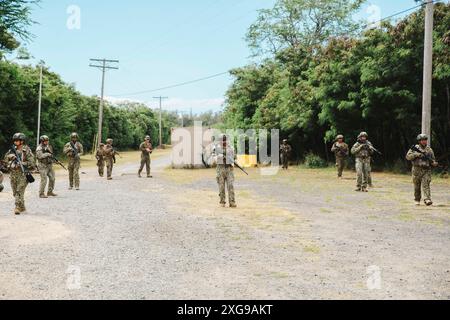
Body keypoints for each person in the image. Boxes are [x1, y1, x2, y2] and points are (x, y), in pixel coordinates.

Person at [4, 133, 36, 215]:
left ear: (22, 141)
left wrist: (21, 163)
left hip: (23, 174)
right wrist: (10, 157)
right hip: (13, 174)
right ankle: (22, 206)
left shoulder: (26, 150)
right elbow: (5, 161)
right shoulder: (11, 150)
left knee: (19, 190)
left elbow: (32, 163)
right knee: (15, 192)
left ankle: (17, 207)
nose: (15, 142)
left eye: (17, 140)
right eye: (14, 140)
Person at [406, 134, 438, 206]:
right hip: (416, 170)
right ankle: (417, 199)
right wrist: (416, 155)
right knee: (416, 186)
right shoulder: (414, 149)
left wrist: (434, 163)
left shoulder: (429, 150)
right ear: (419, 141)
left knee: (426, 184)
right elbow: (408, 157)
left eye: (425, 140)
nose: (424, 142)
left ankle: (427, 199)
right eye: (423, 140)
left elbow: (433, 160)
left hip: (426, 170)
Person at [214, 134, 237, 208]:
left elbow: (235, 157)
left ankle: (232, 202)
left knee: (231, 185)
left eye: (225, 140)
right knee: (221, 186)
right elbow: (213, 159)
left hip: (229, 169)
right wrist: (220, 157)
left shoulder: (231, 148)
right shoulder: (216, 148)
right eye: (222, 140)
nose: (224, 142)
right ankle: (222, 202)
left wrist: (233, 161)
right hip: (220, 169)